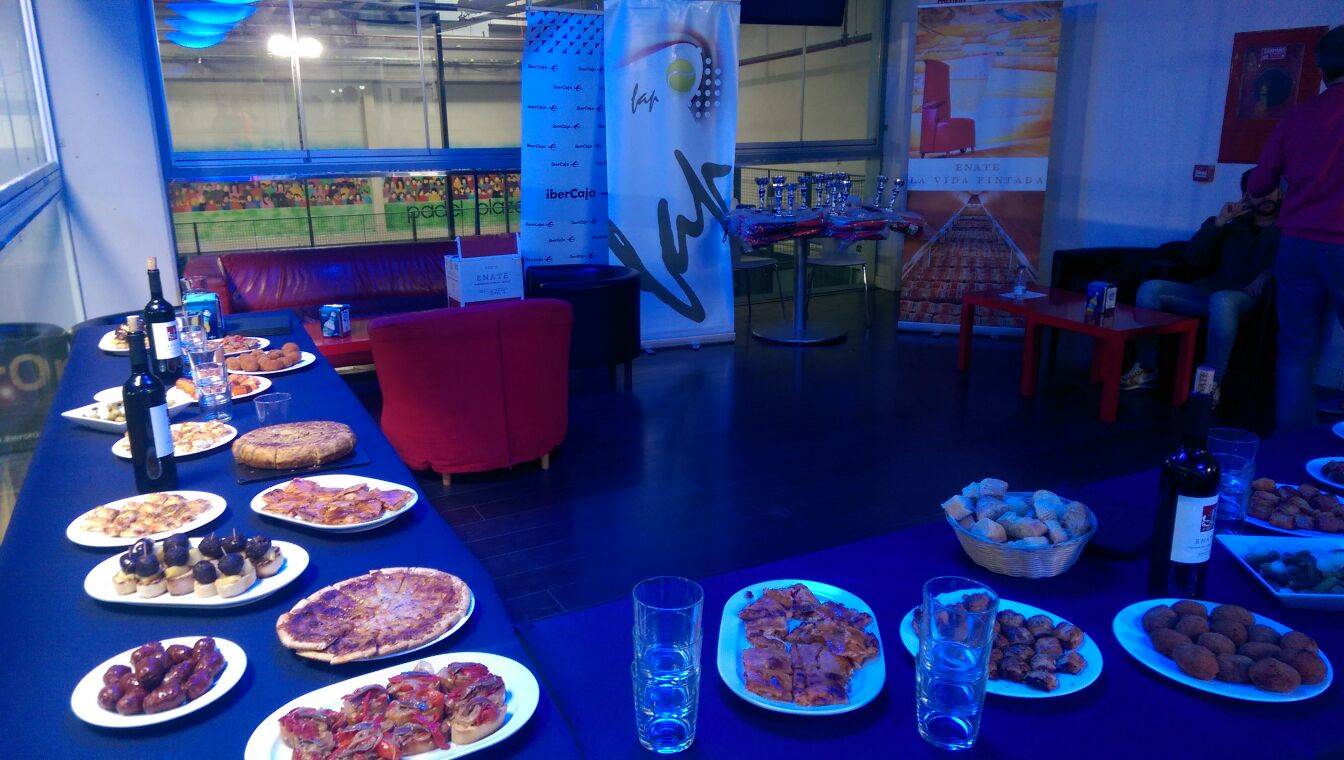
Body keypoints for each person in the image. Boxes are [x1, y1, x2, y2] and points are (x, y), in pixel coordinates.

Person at [1248, 25, 1344, 432]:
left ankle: (1293, 452)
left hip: (1296, 244)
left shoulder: (1297, 115)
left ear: (1321, 69)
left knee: (1295, 353)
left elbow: (1259, 184)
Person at [1122, 169, 1281, 395]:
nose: (1266, 197)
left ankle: (1210, 385)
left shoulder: (1288, 230)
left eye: (1271, 190)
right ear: (1246, 196)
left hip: (1249, 300)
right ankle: (1148, 368)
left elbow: (1297, 265)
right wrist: (1219, 223)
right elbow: (1194, 259)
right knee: (1150, 289)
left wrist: (1268, 274)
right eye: (1259, 192)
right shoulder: (1233, 226)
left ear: (1279, 192)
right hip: (1211, 292)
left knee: (1223, 300)